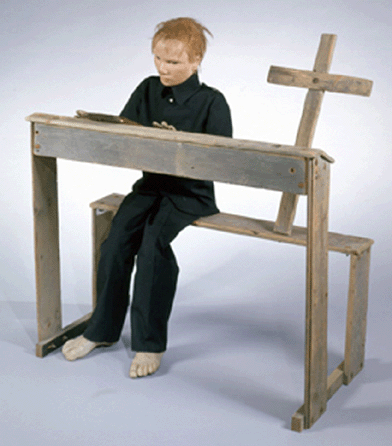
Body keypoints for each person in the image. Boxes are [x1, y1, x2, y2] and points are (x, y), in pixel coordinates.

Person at [62, 17, 232, 378]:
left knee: (153, 244)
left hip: (190, 194)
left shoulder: (212, 102)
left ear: (196, 60)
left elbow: (222, 162)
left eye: (173, 62)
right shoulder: (146, 89)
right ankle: (102, 330)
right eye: (157, 59)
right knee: (116, 241)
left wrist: (177, 145)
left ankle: (149, 344)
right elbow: (126, 140)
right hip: (150, 187)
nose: (163, 68)